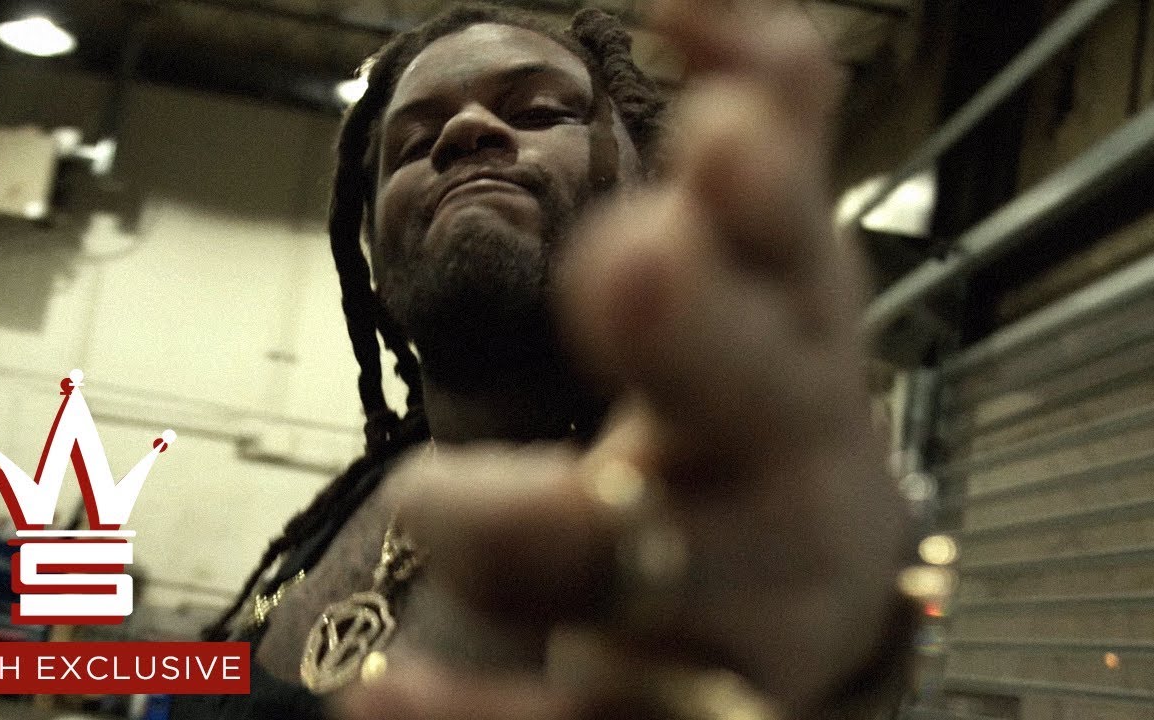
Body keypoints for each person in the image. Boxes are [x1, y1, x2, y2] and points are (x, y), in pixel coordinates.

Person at [178, 1, 914, 719]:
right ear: (372, 256)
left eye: (537, 111)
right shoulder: (355, 501)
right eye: (412, 143)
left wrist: (834, 656)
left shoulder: (690, 527)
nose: (464, 129)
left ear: (650, 191)